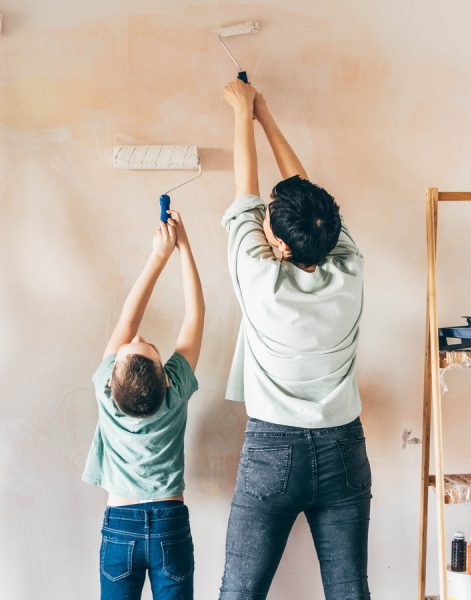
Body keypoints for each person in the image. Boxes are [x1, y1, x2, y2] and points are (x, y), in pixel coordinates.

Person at [219, 79, 372, 600]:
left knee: (239, 593)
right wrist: (262, 115)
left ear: (279, 245)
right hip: (344, 450)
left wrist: (243, 114)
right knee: (350, 593)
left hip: (271, 451)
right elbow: (309, 200)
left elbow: (244, 196)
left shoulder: (260, 278)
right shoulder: (348, 266)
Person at [82, 211, 204, 600]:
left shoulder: (105, 388)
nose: (136, 333)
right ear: (166, 376)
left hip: (120, 524)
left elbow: (126, 317)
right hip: (169, 523)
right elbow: (195, 315)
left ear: (112, 375)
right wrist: (183, 246)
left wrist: (158, 256)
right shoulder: (175, 392)